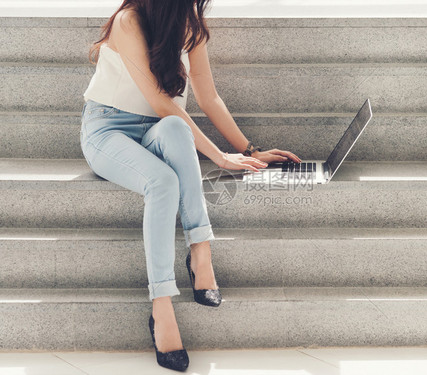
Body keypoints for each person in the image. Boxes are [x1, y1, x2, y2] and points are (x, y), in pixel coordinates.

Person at [80, 0, 301, 371]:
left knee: (178, 129)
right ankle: (161, 305)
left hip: (156, 129)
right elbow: (158, 99)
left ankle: (201, 253)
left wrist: (249, 151)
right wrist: (219, 157)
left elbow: (208, 96)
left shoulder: (189, 25)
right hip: (108, 130)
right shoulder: (129, 21)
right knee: (163, 181)